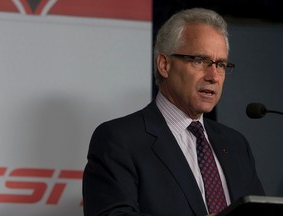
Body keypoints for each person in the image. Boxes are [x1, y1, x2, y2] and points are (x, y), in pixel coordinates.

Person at [83, 7, 265, 216]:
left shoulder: (236, 145)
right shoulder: (119, 140)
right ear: (164, 65)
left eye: (221, 64)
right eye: (200, 61)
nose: (213, 76)